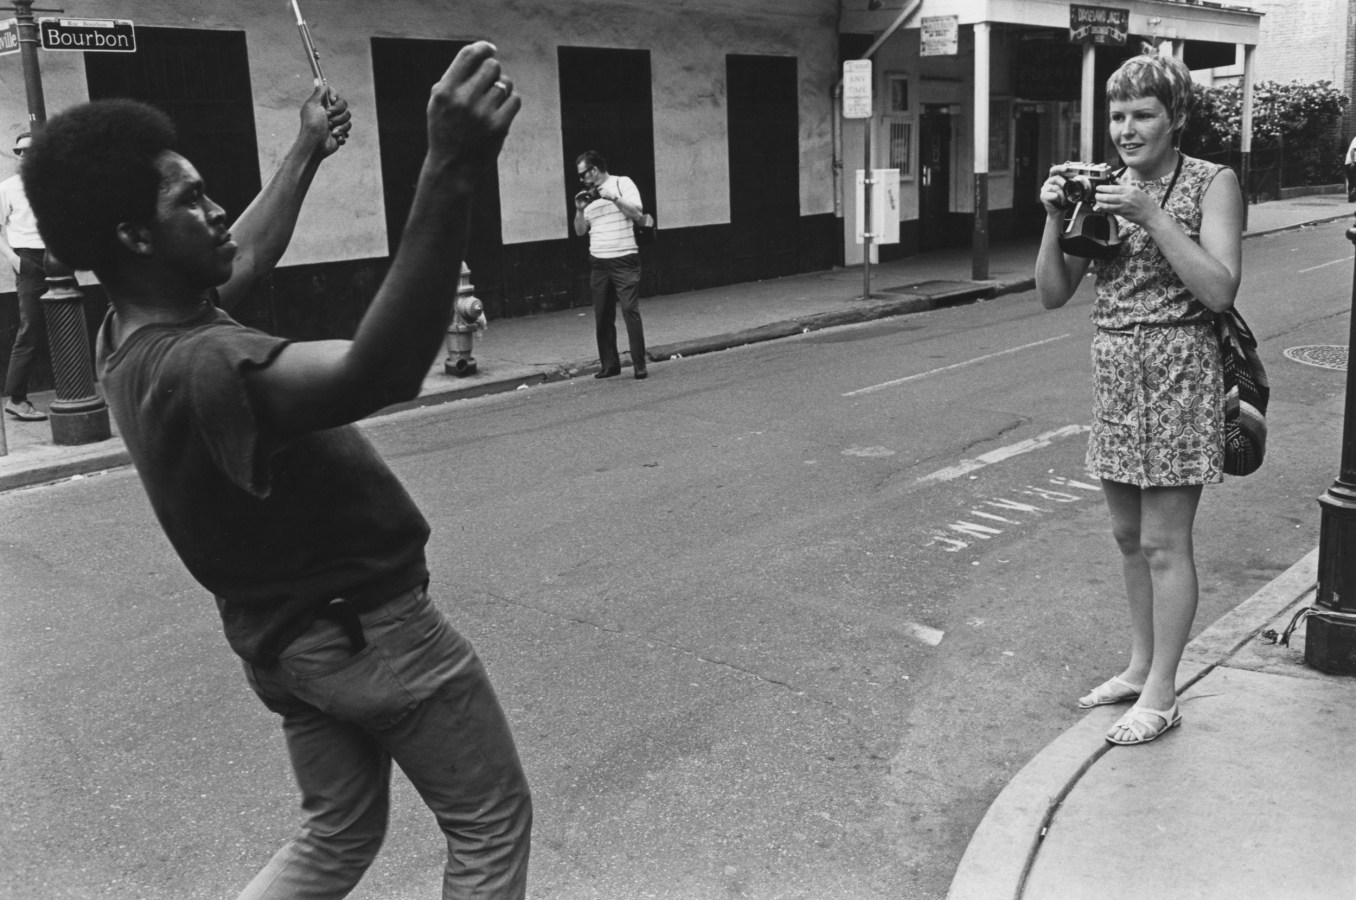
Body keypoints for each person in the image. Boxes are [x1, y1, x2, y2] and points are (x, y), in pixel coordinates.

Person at [22, 43, 531, 898]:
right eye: (191, 200)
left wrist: (304, 151)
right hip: (372, 633)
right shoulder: (204, 363)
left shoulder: (128, 338)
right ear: (134, 235)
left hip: (285, 646)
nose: (217, 209)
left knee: (334, 836)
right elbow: (379, 372)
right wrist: (449, 165)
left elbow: (241, 258)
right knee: (488, 823)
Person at [1034, 53, 1243, 746]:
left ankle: (1163, 692)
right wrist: (1053, 215)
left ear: (1174, 118)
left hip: (1181, 371)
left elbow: (1217, 290)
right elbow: (1052, 292)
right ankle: (1137, 664)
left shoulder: (1213, 183)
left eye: (1143, 114)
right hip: (1118, 374)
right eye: (1118, 115)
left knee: (1163, 541)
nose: (1127, 129)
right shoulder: (1105, 187)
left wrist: (1152, 216)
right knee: (1128, 538)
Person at [573, 150, 649, 379]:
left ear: (594, 170)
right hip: (599, 263)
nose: (581, 180)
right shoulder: (587, 197)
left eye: (583, 174)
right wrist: (578, 209)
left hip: (624, 258)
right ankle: (610, 365)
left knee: (629, 309)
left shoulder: (622, 183)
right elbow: (579, 231)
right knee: (603, 315)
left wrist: (613, 198)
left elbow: (637, 213)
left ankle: (639, 365)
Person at [0, 131, 49, 421]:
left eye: (31, 150)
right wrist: (13, 258)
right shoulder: (8, 187)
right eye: (20, 152)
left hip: (55, 258)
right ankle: (16, 399)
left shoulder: (55, 184)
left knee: (67, 321)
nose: (26, 156)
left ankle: (78, 388)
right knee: (30, 327)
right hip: (27, 259)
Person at [1345, 134, 1356, 202]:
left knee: (1351, 181)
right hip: (1353, 162)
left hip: (1350, 162)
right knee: (1353, 181)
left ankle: (1351, 197)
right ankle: (1352, 195)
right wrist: (1352, 162)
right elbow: (1352, 150)